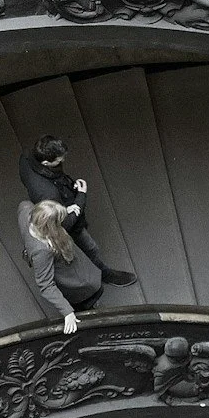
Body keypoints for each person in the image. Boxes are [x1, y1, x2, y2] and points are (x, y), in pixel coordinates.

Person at [20, 136, 137, 287]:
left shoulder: (26, 157)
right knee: (90, 247)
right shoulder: (48, 193)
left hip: (55, 197)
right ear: (46, 163)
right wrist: (81, 195)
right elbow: (66, 224)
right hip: (62, 221)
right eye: (59, 160)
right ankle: (102, 274)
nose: (63, 161)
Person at [22, 198, 105, 334]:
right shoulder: (42, 251)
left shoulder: (26, 212)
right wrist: (68, 312)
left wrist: (64, 211)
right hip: (78, 283)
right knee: (90, 295)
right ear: (50, 227)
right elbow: (45, 285)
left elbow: (24, 204)